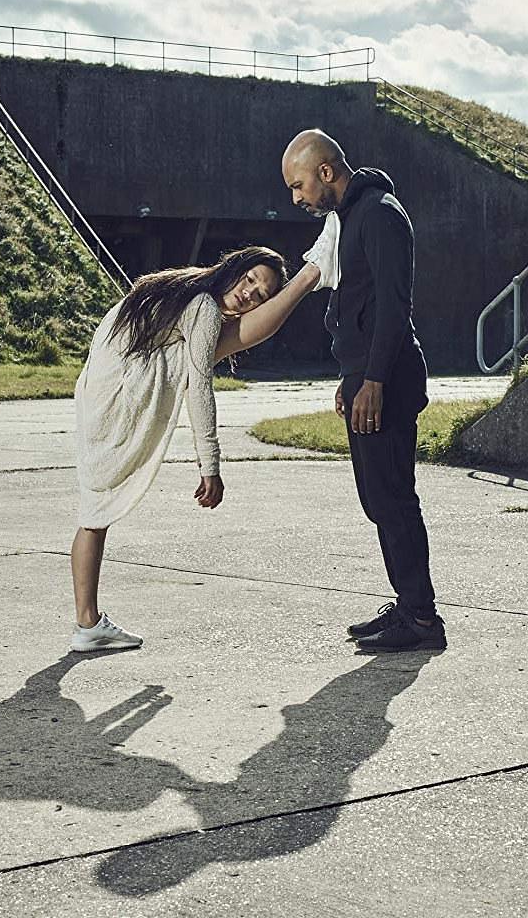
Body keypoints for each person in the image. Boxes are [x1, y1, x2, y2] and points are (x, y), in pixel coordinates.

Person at [69, 244, 333, 653]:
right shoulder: (204, 307)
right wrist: (210, 465)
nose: (249, 293)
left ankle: (88, 621)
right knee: (95, 516)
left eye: (260, 294)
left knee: (94, 514)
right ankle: (313, 272)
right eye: (249, 280)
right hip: (115, 402)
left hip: (97, 395)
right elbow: (199, 389)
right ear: (234, 269)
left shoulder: (182, 285)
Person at [282, 129, 447, 653]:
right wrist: (351, 377)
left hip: (389, 380)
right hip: (367, 376)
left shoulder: (379, 214)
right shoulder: (350, 217)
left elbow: (395, 308)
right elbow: (360, 304)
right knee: (378, 500)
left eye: (298, 185)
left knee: (393, 499)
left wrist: (373, 380)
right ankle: (407, 604)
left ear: (325, 172)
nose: (297, 197)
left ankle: (422, 619)